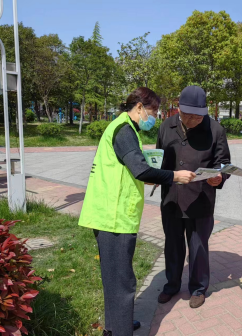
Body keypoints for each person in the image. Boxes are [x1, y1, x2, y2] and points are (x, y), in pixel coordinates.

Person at [78, 87, 196, 336]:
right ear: (140, 107)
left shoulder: (124, 127)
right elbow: (140, 170)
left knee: (115, 279)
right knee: (122, 282)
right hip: (112, 217)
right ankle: (120, 330)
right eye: (153, 111)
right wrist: (174, 176)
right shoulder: (124, 131)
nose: (155, 116)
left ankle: (116, 325)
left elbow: (134, 169)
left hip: (112, 214)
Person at [156, 85, 231, 309]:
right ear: (178, 109)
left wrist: (220, 178)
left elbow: (224, 163)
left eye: (198, 117)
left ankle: (198, 288)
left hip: (201, 199)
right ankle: (171, 284)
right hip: (171, 197)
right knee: (172, 245)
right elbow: (159, 159)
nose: (193, 120)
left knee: (198, 247)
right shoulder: (166, 127)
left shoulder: (216, 130)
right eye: (188, 116)